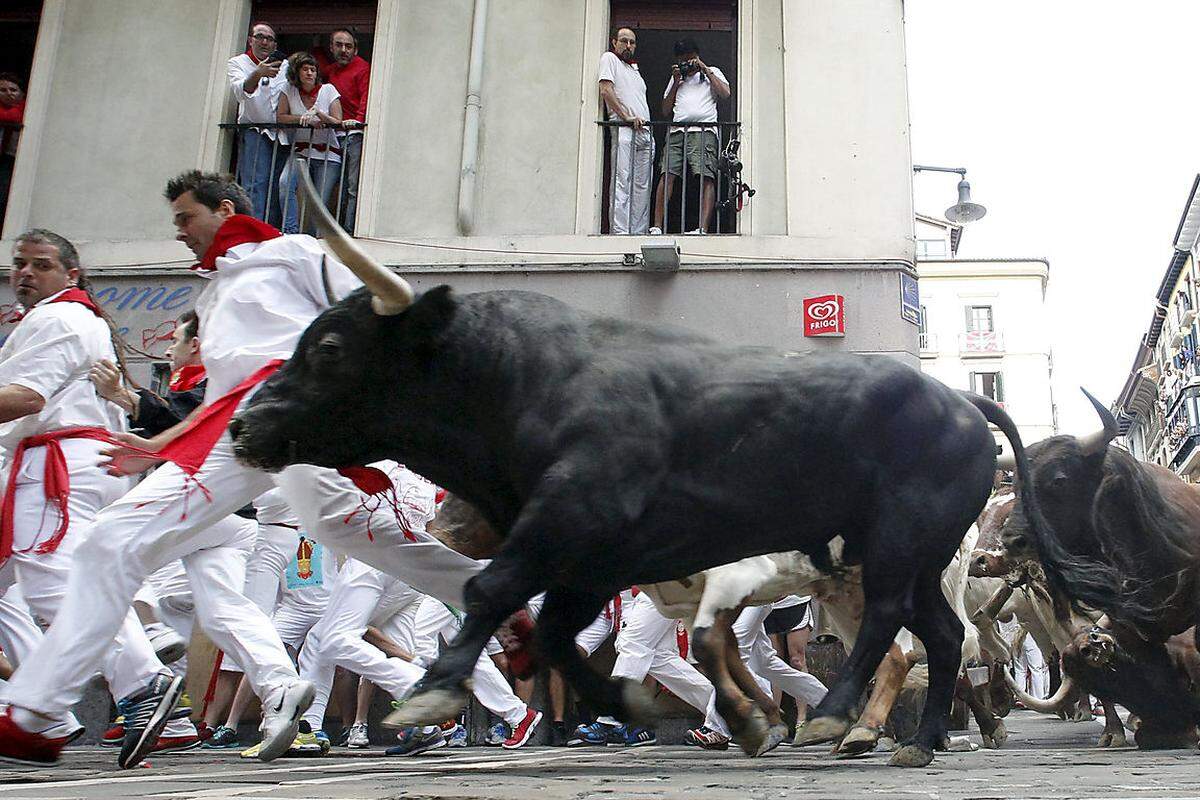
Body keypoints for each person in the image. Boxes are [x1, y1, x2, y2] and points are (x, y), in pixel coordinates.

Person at [0, 170, 484, 769]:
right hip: (252, 431)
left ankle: (36, 712)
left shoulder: (293, 252)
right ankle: (503, 591)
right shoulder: (214, 291)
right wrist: (159, 445)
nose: (178, 232)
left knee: (117, 541)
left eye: (185, 217)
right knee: (126, 540)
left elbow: (374, 317)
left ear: (224, 208)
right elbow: (219, 399)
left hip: (289, 414)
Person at [0, 229, 184, 766]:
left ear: (71, 274)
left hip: (55, 464)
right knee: (44, 581)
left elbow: (27, 397)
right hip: (56, 462)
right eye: (20, 264)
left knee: (54, 580)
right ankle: (46, 704)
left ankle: (141, 683)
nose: (26, 274)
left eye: (41, 265)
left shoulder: (61, 319)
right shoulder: (65, 319)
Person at [650, 38, 730, 235]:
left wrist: (705, 69)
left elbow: (725, 93)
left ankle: (702, 228)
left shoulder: (712, 72)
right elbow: (665, 109)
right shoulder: (677, 79)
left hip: (703, 131)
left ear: (697, 57)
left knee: (705, 176)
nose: (687, 64)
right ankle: (657, 226)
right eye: (683, 60)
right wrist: (677, 82)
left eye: (690, 59)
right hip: (677, 131)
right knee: (666, 174)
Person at [226, 23, 290, 225]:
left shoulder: (285, 66)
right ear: (250, 39)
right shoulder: (237, 63)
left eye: (269, 39)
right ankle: (253, 230)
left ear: (275, 44)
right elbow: (241, 91)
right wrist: (258, 73)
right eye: (260, 36)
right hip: (255, 132)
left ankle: (269, 230)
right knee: (255, 185)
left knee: (277, 186)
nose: (264, 42)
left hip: (281, 135)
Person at [277, 52, 343, 235]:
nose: (309, 73)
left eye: (312, 69)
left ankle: (315, 239)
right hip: (301, 151)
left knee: (319, 200)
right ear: (296, 73)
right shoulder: (288, 90)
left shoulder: (328, 90)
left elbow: (338, 121)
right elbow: (280, 117)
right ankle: (290, 231)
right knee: (285, 184)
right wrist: (302, 119)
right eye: (305, 69)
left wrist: (318, 114)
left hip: (328, 153)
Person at [598, 28, 652, 235]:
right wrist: (625, 117)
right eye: (624, 41)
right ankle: (619, 233)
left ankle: (638, 232)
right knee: (622, 180)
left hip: (644, 131)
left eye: (632, 42)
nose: (628, 46)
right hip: (625, 129)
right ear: (614, 42)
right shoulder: (609, 59)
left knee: (641, 186)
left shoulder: (634, 71)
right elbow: (606, 90)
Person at [322, 29, 370, 232]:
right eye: (339, 45)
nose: (344, 50)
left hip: (354, 134)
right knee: (335, 185)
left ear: (355, 49)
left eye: (348, 46)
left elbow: (366, 97)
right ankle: (335, 229)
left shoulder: (363, 68)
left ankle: (349, 230)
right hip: (335, 134)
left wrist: (357, 122)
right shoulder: (330, 71)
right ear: (331, 47)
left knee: (351, 186)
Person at [0, 73, 24, 229]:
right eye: (2, 90)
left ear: (21, 93)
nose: (8, 93)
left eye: (13, 89)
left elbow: (13, 117)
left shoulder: (27, 109)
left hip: (13, 158)